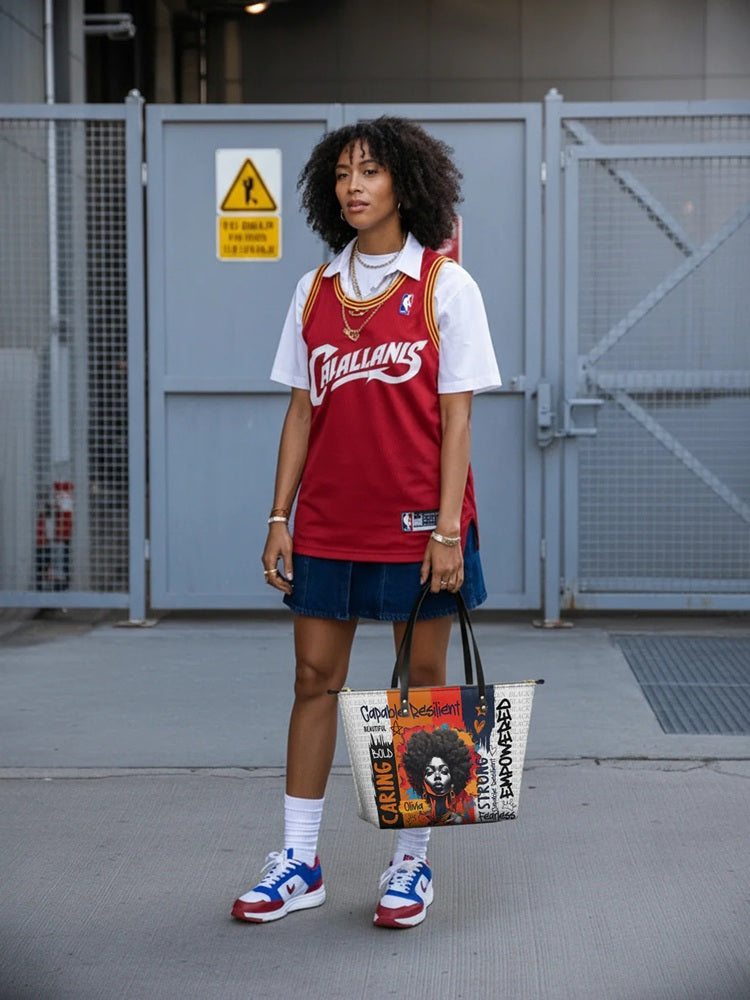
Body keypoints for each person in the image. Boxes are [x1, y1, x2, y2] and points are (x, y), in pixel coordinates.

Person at [231, 116, 501, 930]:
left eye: (371, 171)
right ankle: (299, 861)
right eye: (343, 172)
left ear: (405, 185)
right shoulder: (313, 290)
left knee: (418, 692)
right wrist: (279, 515)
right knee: (314, 680)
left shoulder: (446, 287)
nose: (354, 184)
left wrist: (448, 529)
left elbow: (457, 422)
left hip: (421, 524)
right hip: (328, 522)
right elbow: (300, 411)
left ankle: (411, 865)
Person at [401, 727, 475, 826]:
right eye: (430, 772)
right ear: (421, 780)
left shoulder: (459, 821)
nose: (437, 776)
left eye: (444, 771)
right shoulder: (415, 820)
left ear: (454, 778)